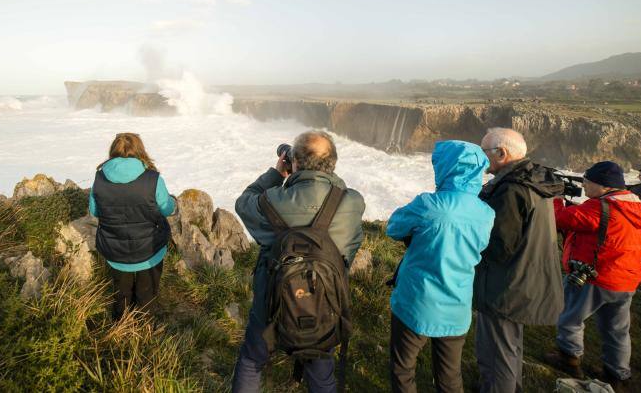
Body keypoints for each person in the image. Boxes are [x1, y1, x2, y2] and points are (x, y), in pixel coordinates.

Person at [231, 131, 365, 393]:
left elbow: (243, 203)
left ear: (294, 163)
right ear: (333, 163)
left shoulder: (270, 202)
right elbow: (349, 249)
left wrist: (276, 175)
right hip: (324, 303)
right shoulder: (351, 202)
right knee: (322, 374)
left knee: (252, 361)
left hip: (271, 303)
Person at [386, 140, 495, 393]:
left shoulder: (429, 204)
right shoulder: (486, 213)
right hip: (457, 306)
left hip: (416, 303)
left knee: (403, 367)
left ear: (446, 168)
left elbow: (393, 227)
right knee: (449, 374)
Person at [473, 127, 565, 393]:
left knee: (496, 352)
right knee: (509, 345)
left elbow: (498, 245)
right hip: (525, 278)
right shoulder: (533, 179)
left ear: (501, 153)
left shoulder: (511, 189)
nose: (481, 159)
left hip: (507, 285)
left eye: (484, 152)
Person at [548, 161, 641, 390]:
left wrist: (555, 199)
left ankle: (569, 358)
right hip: (625, 280)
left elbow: (560, 219)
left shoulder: (599, 208)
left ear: (604, 186)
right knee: (616, 329)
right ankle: (617, 373)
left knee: (570, 317)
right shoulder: (640, 209)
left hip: (594, 277)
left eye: (588, 181)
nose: (584, 185)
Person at [88, 132, 177, 319]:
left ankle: (120, 329)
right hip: (149, 250)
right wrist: (174, 203)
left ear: (112, 151)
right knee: (147, 295)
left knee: (121, 295)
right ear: (140, 151)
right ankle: (144, 331)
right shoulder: (152, 179)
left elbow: (95, 211)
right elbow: (167, 208)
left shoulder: (99, 179)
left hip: (115, 249)